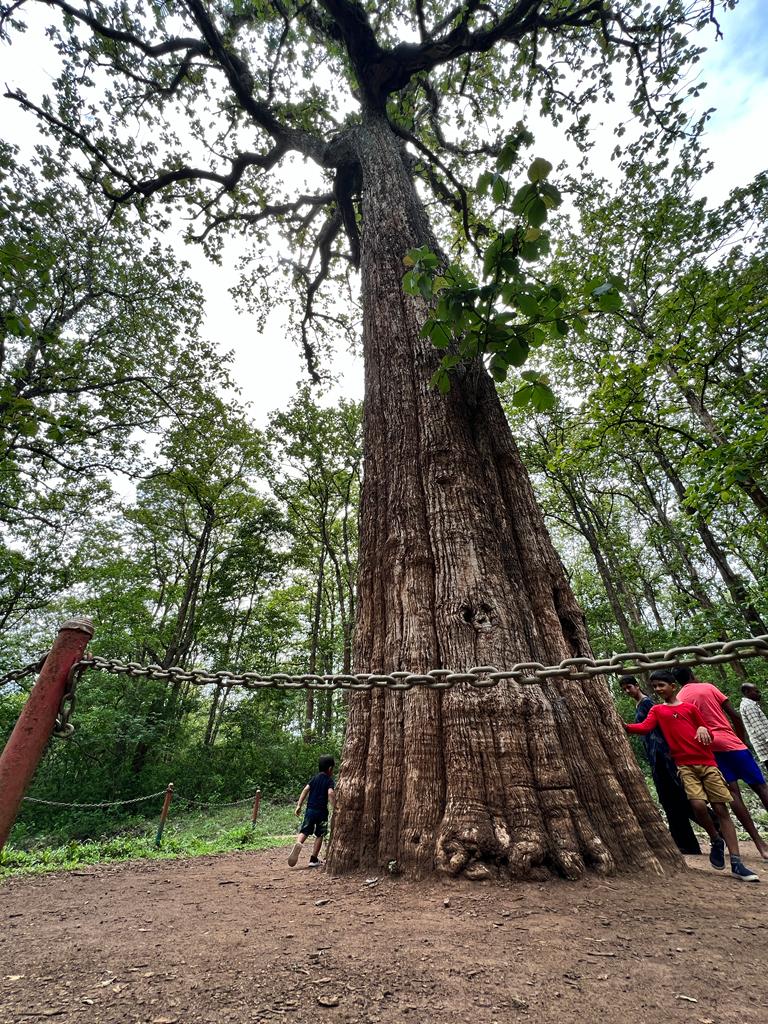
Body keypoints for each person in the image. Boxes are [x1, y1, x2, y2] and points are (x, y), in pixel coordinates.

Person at [624, 670, 758, 881]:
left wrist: (705, 730)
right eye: (656, 686)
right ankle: (715, 839)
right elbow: (644, 728)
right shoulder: (657, 710)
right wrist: (622, 726)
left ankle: (737, 861)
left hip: (708, 763)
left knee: (721, 808)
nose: (659, 689)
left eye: (662, 685)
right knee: (697, 805)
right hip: (685, 766)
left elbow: (706, 729)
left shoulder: (691, 708)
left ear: (672, 686)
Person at [675, 667, 768, 860]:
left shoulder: (680, 698)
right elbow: (733, 715)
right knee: (761, 787)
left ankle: (760, 845)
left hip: (709, 749)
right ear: (692, 674)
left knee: (734, 794)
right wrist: (740, 739)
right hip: (732, 744)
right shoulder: (708, 687)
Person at [619, 676, 701, 855]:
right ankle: (686, 842)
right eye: (624, 689)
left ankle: (712, 829)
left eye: (629, 687)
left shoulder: (648, 703)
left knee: (676, 797)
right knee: (671, 799)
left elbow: (658, 726)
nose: (627, 691)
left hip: (664, 756)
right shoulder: (640, 704)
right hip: (656, 757)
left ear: (637, 686)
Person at [288, 754, 335, 868]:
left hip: (310, 810)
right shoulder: (329, 780)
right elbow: (330, 793)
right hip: (322, 812)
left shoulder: (314, 778)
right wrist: (335, 807)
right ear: (330, 769)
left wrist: (299, 805)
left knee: (305, 830)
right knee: (320, 834)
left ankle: (298, 843)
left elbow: (305, 790)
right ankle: (313, 859)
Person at [740, 683, 768, 772]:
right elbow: (759, 728)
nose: (758, 693)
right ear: (747, 692)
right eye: (756, 691)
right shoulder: (748, 705)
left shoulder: (750, 704)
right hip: (765, 746)